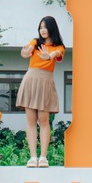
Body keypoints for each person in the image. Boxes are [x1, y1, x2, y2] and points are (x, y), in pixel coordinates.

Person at [17, 15, 65, 167]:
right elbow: (27, 51)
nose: (42, 30)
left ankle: (43, 157)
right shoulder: (36, 42)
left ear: (52, 28)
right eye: (41, 27)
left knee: (44, 121)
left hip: (45, 81)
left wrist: (48, 56)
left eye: (45, 27)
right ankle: (32, 157)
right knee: (31, 121)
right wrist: (25, 53)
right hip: (31, 79)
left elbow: (55, 54)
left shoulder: (59, 47)